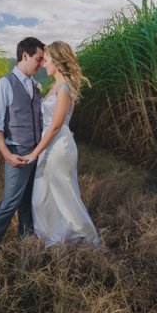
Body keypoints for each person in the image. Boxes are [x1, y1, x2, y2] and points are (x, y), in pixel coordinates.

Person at [19, 41, 100, 248]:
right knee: (42, 196)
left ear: (56, 60)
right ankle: (56, 236)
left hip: (57, 146)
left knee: (62, 193)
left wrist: (34, 153)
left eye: (46, 60)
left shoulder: (63, 87)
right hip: (50, 144)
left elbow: (55, 126)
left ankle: (78, 235)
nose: (43, 65)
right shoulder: (54, 85)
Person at [0, 37, 46, 258]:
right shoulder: (3, 84)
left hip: (35, 152)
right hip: (16, 152)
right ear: (24, 56)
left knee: (27, 200)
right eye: (38, 59)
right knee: (10, 201)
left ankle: (27, 240)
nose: (42, 64)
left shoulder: (35, 86)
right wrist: (7, 155)